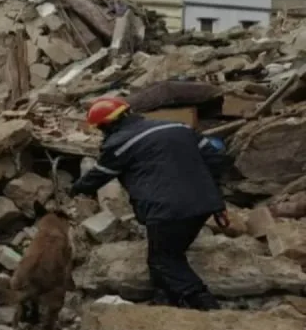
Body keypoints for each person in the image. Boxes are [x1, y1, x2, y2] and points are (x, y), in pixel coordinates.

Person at [70, 97, 230, 311]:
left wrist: (73, 190)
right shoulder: (178, 127)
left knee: (163, 259)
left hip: (166, 210)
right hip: (202, 204)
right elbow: (216, 160)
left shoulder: (119, 145)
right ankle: (166, 298)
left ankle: (204, 304)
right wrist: (217, 202)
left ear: (107, 125)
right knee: (168, 251)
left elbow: (97, 177)